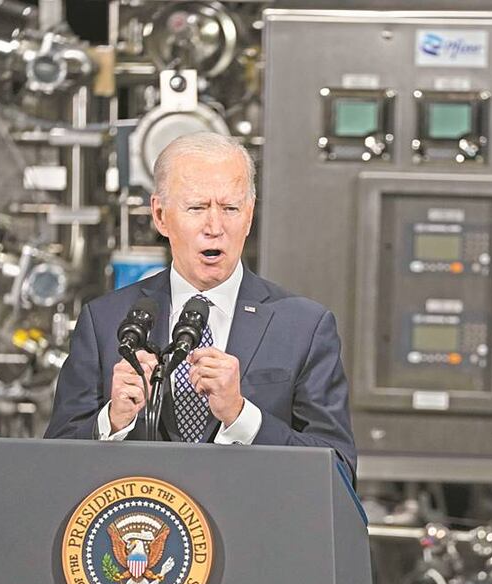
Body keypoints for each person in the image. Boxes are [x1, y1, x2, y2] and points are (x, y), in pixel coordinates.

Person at [44, 132, 356, 478]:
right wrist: (113, 419)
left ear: (249, 217)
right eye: (196, 208)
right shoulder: (104, 322)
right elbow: (54, 467)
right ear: (160, 215)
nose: (214, 227)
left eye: (230, 208)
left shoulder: (304, 327)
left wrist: (241, 416)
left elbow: (338, 471)